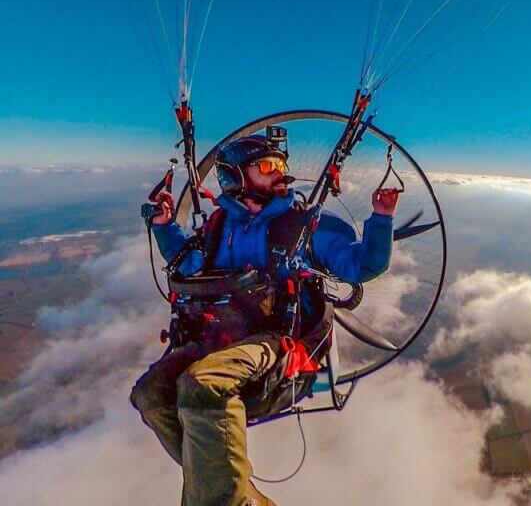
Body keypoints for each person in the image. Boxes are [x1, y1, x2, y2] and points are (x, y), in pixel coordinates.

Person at [130, 129, 399, 506]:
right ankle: (238, 492)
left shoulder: (303, 226)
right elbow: (188, 264)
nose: (280, 172)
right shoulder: (219, 227)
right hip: (221, 336)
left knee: (201, 385)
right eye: (268, 165)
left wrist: (382, 219)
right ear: (237, 177)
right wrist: (163, 227)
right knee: (149, 395)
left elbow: (362, 265)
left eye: (281, 165)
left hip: (277, 340)